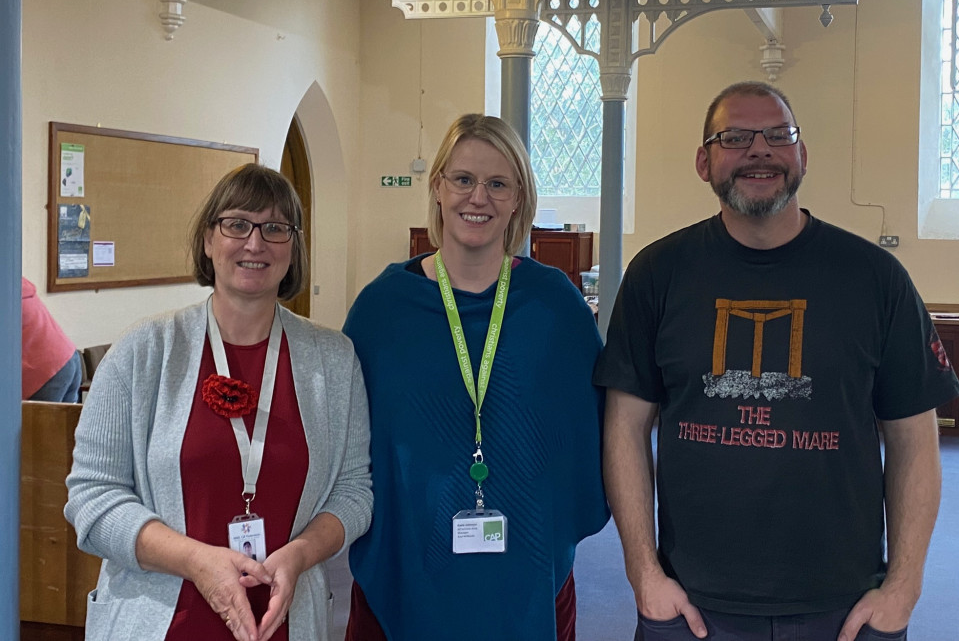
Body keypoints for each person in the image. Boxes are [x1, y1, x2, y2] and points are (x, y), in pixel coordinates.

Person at [595, 81, 959, 641]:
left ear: (802, 156)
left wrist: (903, 587)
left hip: (843, 604)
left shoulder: (874, 279)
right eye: (735, 137)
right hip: (691, 602)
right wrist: (643, 571)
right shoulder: (658, 274)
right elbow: (624, 427)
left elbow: (915, 437)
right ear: (704, 162)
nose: (759, 150)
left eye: (778, 135)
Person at [65, 163, 373, 641]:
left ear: (294, 249)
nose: (255, 243)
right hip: (164, 621)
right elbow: (92, 498)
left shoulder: (333, 360)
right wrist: (197, 562)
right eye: (236, 224)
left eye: (275, 228)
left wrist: (301, 554)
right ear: (208, 241)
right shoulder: (143, 351)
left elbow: (354, 492)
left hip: (285, 621)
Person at [342, 113, 608, 641]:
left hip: (527, 561)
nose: (477, 197)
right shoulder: (383, 307)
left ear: (518, 199)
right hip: (409, 556)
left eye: (497, 183)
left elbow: (594, 430)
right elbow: (349, 439)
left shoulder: (556, 305)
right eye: (463, 179)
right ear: (438, 187)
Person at [21, 276, 82, 403]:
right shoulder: (17, 284)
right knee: (66, 421)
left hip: (44, 372)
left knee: (40, 422)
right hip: (68, 357)